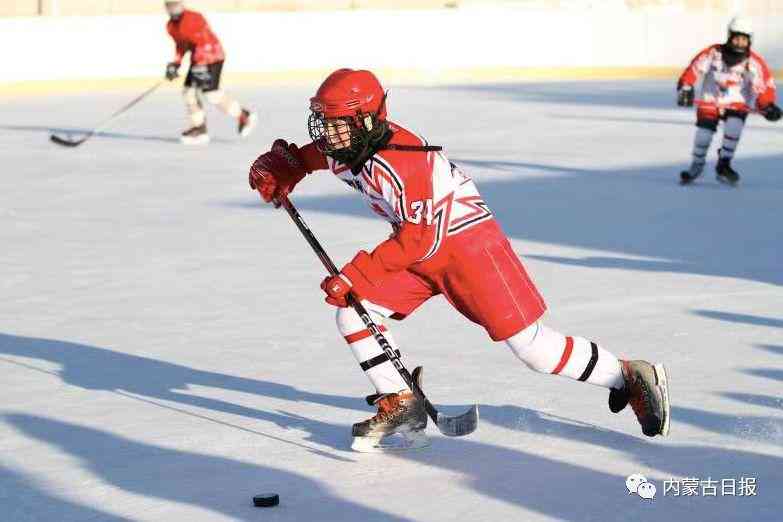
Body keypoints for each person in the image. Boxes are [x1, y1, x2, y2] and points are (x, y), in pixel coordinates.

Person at [247, 69, 670, 452]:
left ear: (367, 120)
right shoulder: (352, 143)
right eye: (325, 122)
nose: (328, 133)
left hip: (468, 246)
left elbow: (420, 239)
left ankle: (628, 375)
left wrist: (355, 273)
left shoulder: (401, 163)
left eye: (338, 123)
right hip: (419, 245)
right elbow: (321, 156)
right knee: (356, 314)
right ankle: (402, 402)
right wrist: (291, 166)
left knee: (533, 349)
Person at [678, 16, 780, 186]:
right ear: (729, 36)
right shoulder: (713, 53)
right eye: (736, 37)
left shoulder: (754, 62)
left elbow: (763, 86)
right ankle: (697, 165)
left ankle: (724, 164)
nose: (740, 42)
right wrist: (686, 87)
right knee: (703, 135)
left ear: (749, 41)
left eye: (744, 39)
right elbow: (694, 69)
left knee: (734, 127)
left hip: (737, 102)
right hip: (710, 100)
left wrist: (767, 105)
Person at [164, 1, 257, 145]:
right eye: (169, 4)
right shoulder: (171, 26)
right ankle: (199, 128)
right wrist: (176, 64)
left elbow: (205, 40)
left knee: (211, 94)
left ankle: (244, 116)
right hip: (198, 61)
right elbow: (181, 46)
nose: (172, 7)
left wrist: (200, 63)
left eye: (175, 3)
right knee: (188, 92)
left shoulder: (194, 17)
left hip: (213, 57)